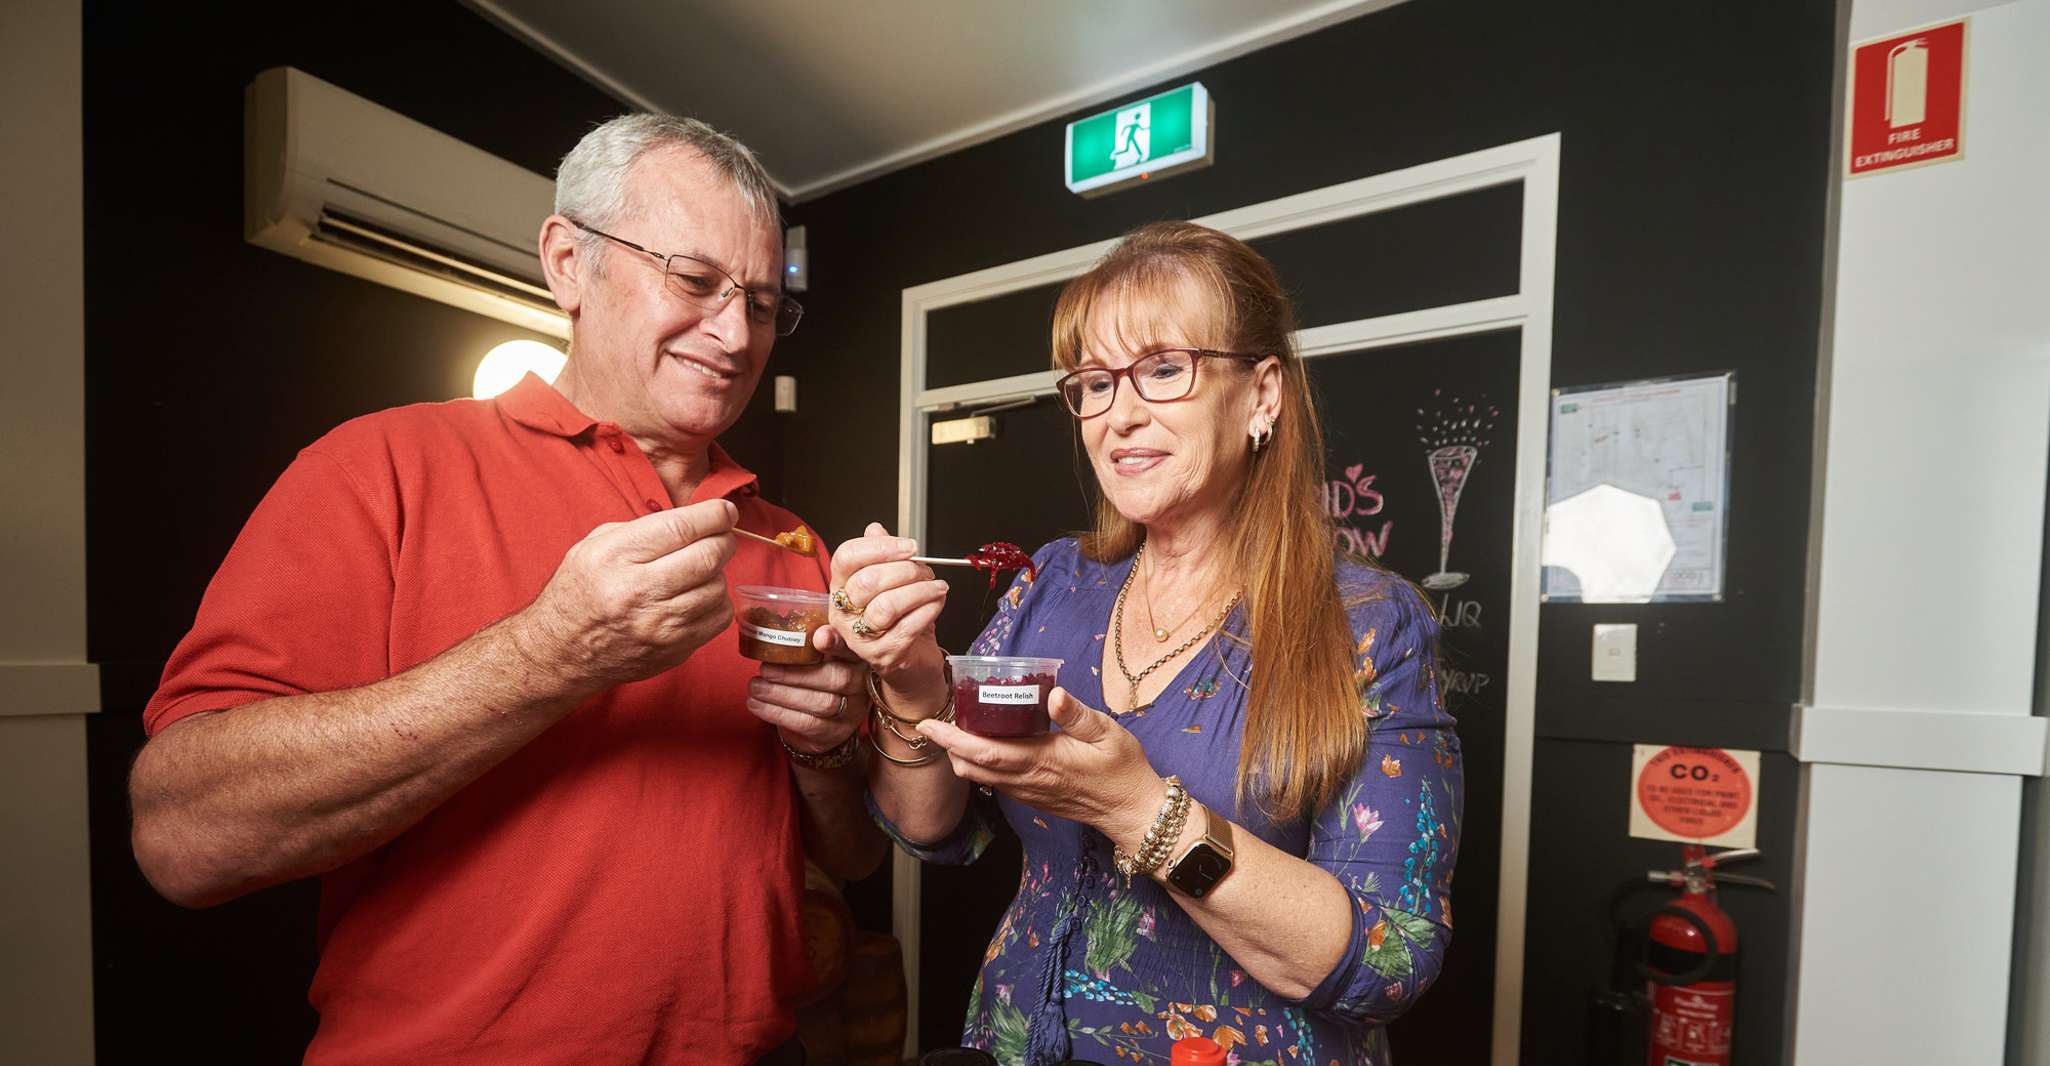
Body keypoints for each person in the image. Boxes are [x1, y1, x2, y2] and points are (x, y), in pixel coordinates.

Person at [129, 114, 882, 1064]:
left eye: (764, 304)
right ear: (569, 262)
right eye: (694, 281)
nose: (735, 335)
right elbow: (183, 838)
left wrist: (824, 758)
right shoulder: (381, 469)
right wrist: (548, 653)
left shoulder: (790, 542)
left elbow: (851, 857)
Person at [830, 222, 1462, 1065]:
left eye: (1164, 369)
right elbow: (936, 828)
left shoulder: (1371, 626)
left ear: (1262, 393)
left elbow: (1390, 962)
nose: (1118, 416)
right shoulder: (1052, 586)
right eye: (1092, 384)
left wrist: (1135, 809)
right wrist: (909, 682)